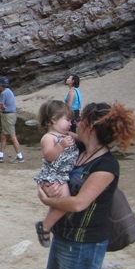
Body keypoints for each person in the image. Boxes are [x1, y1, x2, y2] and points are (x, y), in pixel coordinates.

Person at [37, 101, 135, 269]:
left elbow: (80, 203)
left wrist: (46, 199)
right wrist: (50, 187)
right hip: (66, 234)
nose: (75, 122)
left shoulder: (106, 165)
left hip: (86, 241)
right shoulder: (81, 149)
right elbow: (57, 162)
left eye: (80, 120)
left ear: (90, 127)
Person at [33, 100, 79, 248]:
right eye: (67, 119)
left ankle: (47, 225)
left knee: (61, 202)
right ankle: (45, 226)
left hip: (63, 174)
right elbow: (49, 156)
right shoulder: (49, 137)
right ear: (53, 119)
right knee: (65, 201)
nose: (70, 123)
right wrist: (61, 145)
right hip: (54, 175)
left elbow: (82, 140)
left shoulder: (66, 135)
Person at [0, 76, 24, 164]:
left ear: (1, 85)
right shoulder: (9, 92)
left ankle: (20, 156)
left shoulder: (4, 93)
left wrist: (0, 106)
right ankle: (0, 155)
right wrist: (2, 106)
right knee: (3, 136)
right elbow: (2, 106)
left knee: (12, 137)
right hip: (10, 116)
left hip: (7, 117)